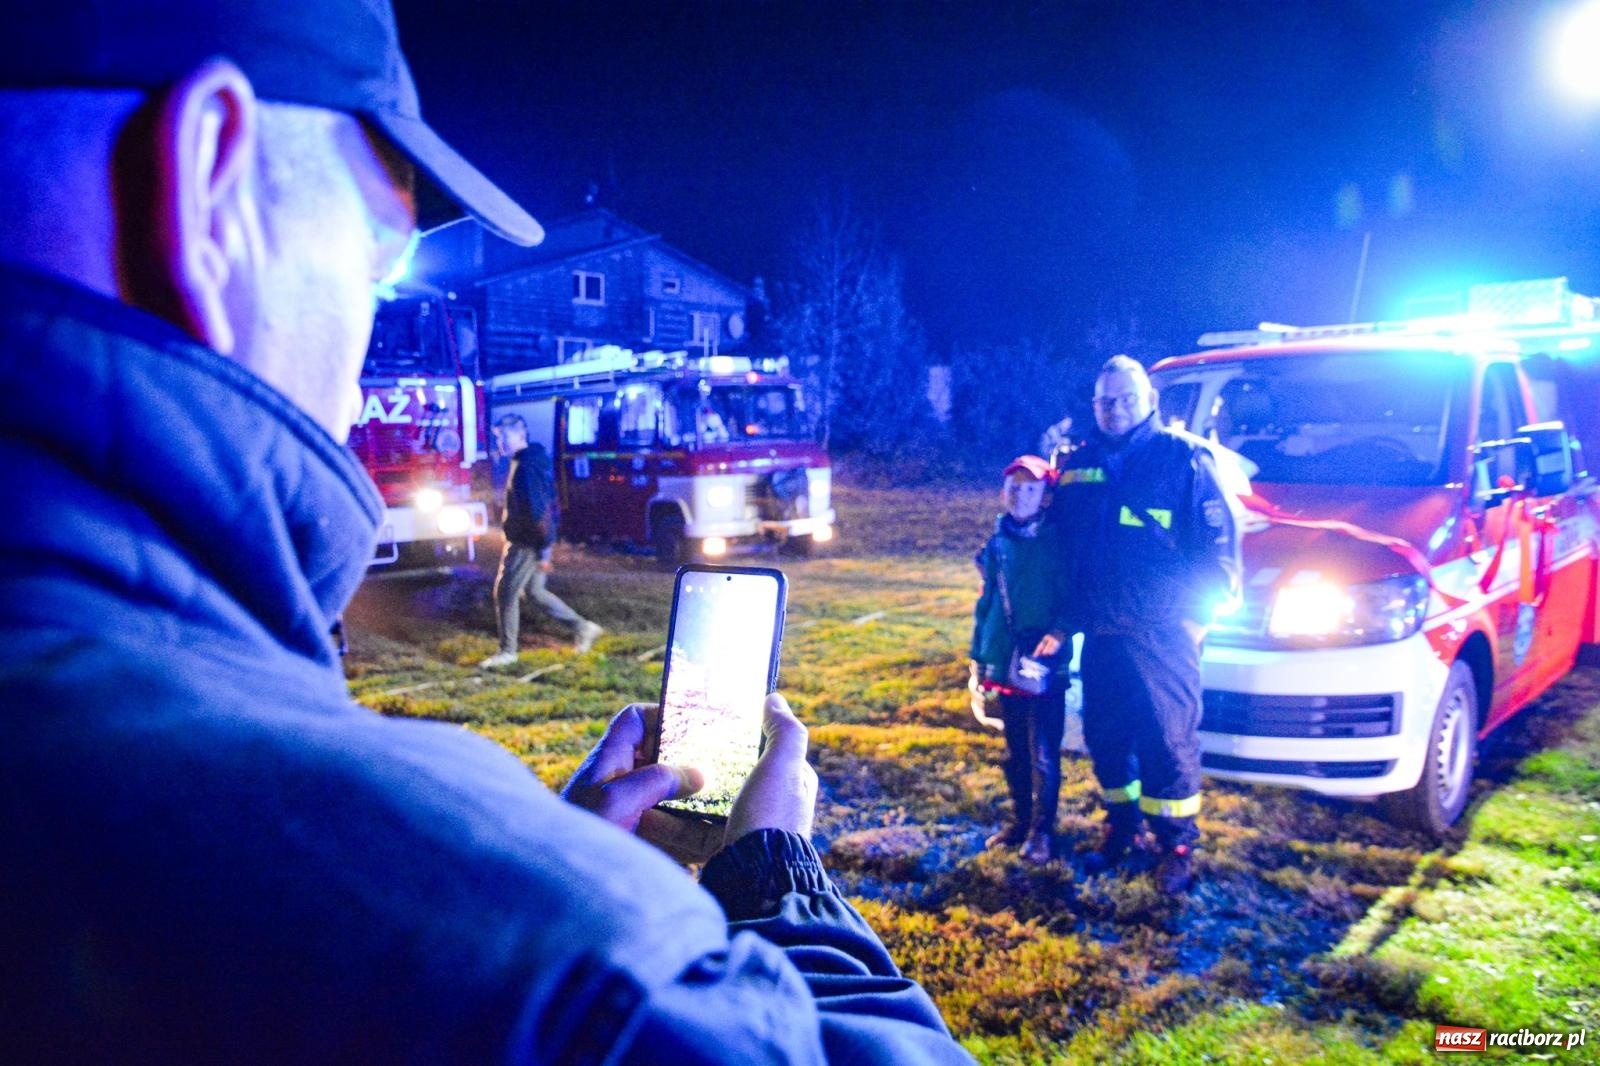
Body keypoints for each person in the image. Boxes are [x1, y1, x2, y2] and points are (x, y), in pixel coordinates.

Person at [0, 3, 970, 1062]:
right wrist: (772, 872)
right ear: (209, 188)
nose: (357, 367)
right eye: (373, 274)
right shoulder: (567, 972)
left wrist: (546, 859)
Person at [1049, 355, 1240, 895]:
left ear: (1150, 400)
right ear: (1094, 406)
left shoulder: (1185, 460)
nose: (1114, 410)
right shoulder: (1080, 463)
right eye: (1105, 401)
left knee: (1168, 739)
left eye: (1126, 399)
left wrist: (1196, 619)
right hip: (1104, 632)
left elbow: (1219, 550)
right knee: (1105, 737)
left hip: (1164, 634)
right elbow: (1061, 541)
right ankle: (1124, 829)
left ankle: (1175, 845)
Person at [969, 455, 1072, 865]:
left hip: (1045, 662)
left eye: (1029, 488)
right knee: (1015, 749)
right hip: (1006, 660)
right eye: (1013, 487)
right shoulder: (997, 543)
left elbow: (1074, 594)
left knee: (1043, 750)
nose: (1020, 495)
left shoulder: (1060, 543)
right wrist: (980, 655)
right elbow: (989, 603)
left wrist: (1061, 631)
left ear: (1045, 496)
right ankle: (1019, 820)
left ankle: (1042, 831)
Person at [480, 413, 603, 667]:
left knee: (505, 592)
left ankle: (507, 652)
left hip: (526, 542)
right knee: (535, 592)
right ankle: (583, 627)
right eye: (497, 438)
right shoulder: (527, 461)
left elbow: (537, 510)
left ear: (520, 435)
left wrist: (544, 548)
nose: (500, 442)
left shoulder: (526, 467)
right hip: (535, 540)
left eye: (504, 436)